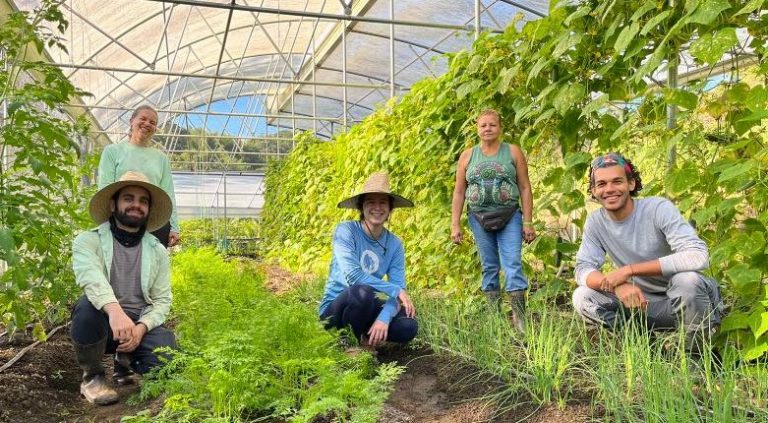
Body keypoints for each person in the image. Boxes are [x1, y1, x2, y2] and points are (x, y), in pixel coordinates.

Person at [572, 152, 723, 356]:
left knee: (687, 281)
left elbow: (698, 255)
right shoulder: (596, 222)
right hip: (641, 304)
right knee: (583, 297)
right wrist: (617, 285)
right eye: (601, 184)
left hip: (684, 302)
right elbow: (583, 269)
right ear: (593, 190)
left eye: (617, 181)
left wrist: (630, 270)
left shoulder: (657, 209)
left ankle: (697, 357)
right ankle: (648, 350)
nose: (609, 189)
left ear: (631, 184)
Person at [71, 171, 177, 405]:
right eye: (128, 198)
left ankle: (125, 359)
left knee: (167, 359)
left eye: (143, 201)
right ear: (113, 204)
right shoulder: (88, 241)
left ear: (148, 209)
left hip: (138, 323)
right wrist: (115, 312)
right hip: (104, 323)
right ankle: (92, 378)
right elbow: (91, 278)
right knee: (86, 308)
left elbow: (162, 300)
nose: (136, 205)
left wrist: (141, 328)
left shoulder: (157, 251)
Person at [451, 109, 536, 332]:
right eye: (483, 125)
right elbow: (459, 192)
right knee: (489, 266)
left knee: (512, 264)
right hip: (478, 218)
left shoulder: (513, 152)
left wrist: (528, 222)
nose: (487, 128)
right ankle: (494, 320)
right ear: (477, 129)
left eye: (492, 125)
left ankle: (520, 320)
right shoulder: (467, 156)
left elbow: (525, 187)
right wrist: (455, 224)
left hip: (510, 216)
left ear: (500, 128)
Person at [319, 172, 418, 350]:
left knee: (408, 326)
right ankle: (349, 342)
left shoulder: (394, 244)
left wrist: (384, 318)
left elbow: (397, 288)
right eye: (371, 202)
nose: (377, 207)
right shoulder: (346, 231)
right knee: (361, 292)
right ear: (361, 206)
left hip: (367, 304)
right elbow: (354, 276)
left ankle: (368, 336)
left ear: (390, 208)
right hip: (337, 310)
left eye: (383, 202)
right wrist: (396, 290)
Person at [98, 105, 180, 248]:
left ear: (155, 128)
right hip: (121, 221)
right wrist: (105, 224)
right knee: (122, 260)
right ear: (131, 121)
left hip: (155, 222)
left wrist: (174, 227)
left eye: (152, 122)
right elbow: (105, 188)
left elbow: (168, 193)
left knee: (153, 261)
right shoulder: (113, 152)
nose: (147, 123)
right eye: (143, 119)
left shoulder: (161, 158)